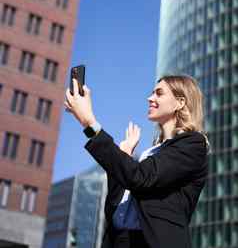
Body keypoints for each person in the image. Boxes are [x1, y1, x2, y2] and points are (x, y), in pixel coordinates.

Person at [64, 74, 210, 248]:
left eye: (159, 93)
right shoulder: (150, 153)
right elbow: (114, 205)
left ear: (180, 102)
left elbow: (139, 178)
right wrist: (124, 155)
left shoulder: (193, 144)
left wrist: (89, 123)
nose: (150, 98)